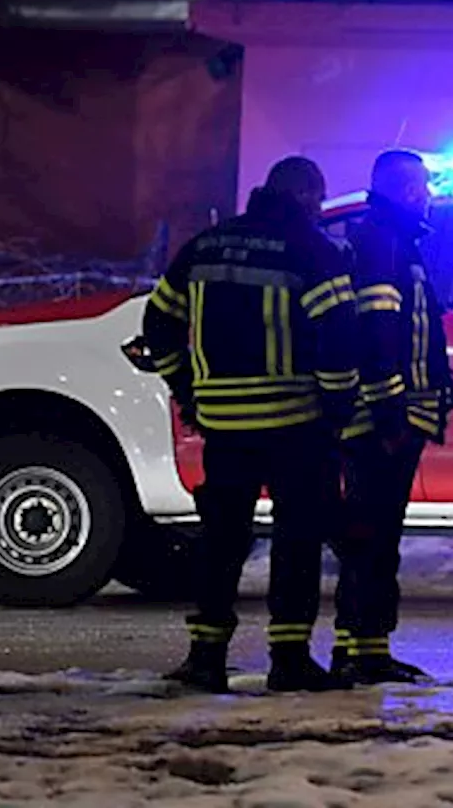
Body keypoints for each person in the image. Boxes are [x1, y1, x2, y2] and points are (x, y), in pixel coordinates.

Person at [142, 155, 360, 694]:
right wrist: (337, 405)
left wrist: (188, 388)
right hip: (294, 422)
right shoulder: (312, 250)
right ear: (309, 197)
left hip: (223, 424)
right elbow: (338, 334)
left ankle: (206, 657)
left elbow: (158, 322)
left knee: (221, 542)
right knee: (297, 540)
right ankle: (289, 660)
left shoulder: (207, 244)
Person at [330, 149, 453, 684]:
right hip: (383, 420)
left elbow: (410, 329)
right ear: (406, 190)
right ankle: (361, 650)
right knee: (373, 537)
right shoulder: (384, 242)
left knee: (375, 536)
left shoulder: (389, 240)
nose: (427, 195)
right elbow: (380, 332)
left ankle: (364, 646)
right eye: (423, 186)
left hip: (390, 414)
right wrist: (390, 414)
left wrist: (440, 380)